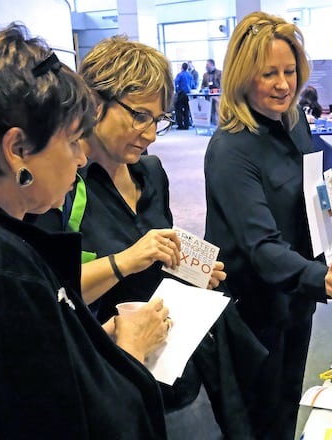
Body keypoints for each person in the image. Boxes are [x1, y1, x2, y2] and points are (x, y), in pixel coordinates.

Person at [0, 23, 168, 438]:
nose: (82, 159)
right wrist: (131, 352)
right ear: (17, 150)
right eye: (71, 142)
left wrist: (85, 344)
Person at [31, 35, 234, 439]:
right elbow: (51, 297)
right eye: (139, 115)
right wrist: (125, 260)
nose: (151, 133)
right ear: (94, 102)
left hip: (178, 366)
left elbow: (161, 254)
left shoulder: (151, 172)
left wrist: (194, 272)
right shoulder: (61, 187)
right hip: (111, 378)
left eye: (158, 120)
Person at [204, 11, 332, 439]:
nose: (283, 84)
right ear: (242, 75)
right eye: (268, 73)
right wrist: (322, 278)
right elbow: (260, 245)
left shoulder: (295, 121)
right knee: (258, 417)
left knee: (289, 401)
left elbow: (306, 189)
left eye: (289, 71)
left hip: (296, 297)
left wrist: (331, 194)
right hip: (254, 308)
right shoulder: (231, 149)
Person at [174, 63, 193, 130]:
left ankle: (180, 125)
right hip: (189, 94)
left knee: (178, 108)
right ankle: (187, 125)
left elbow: (176, 83)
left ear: (182, 67)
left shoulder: (180, 75)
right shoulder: (190, 75)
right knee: (186, 109)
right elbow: (193, 85)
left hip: (181, 93)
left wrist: (177, 91)